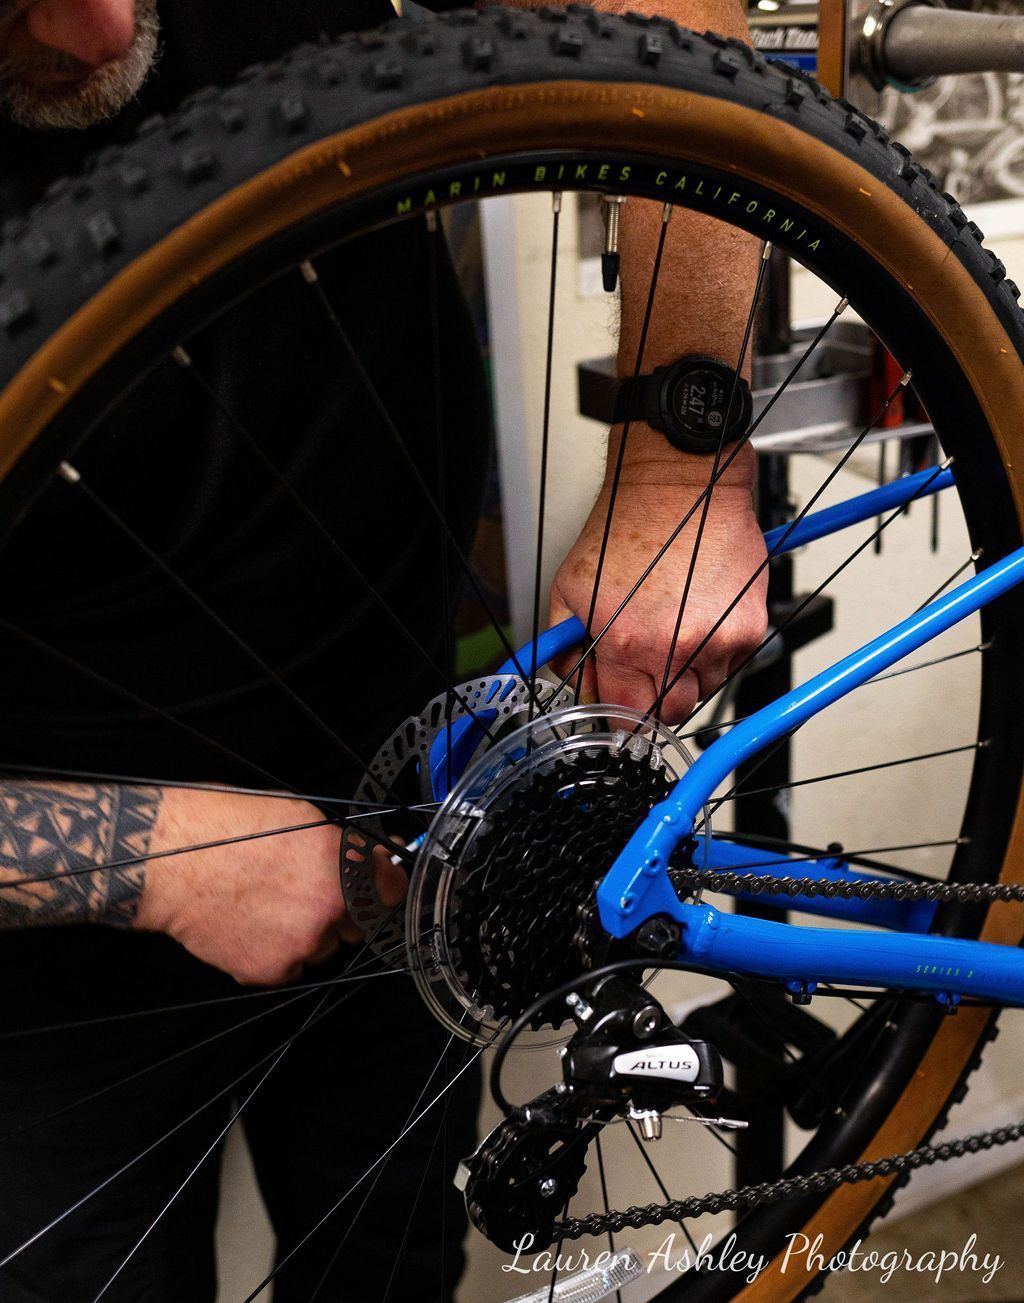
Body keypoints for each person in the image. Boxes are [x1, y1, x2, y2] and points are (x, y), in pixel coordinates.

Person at [0, 0, 767, 1299]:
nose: (102, 20)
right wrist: (155, 860)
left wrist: (676, 469)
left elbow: (673, 11)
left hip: (404, 807)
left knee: (393, 1267)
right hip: (47, 954)